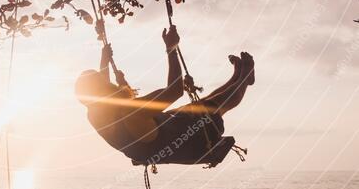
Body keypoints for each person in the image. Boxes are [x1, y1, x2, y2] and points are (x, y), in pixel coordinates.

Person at [75, 26, 254, 167]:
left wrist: (104, 60)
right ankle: (245, 77)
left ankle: (237, 76)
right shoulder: (131, 111)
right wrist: (171, 48)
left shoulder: (95, 114)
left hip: (165, 131)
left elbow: (100, 92)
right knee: (216, 105)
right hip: (189, 141)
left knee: (204, 103)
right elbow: (175, 90)